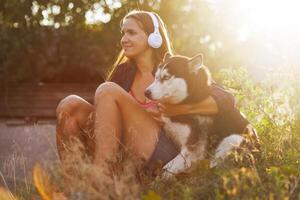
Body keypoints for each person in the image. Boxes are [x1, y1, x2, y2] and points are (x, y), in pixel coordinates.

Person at [56, 10, 255, 176]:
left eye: (132, 33)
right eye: (123, 33)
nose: (124, 39)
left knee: (106, 90)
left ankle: (102, 181)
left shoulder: (174, 69)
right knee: (70, 104)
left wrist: (175, 111)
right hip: (126, 150)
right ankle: (75, 187)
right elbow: (104, 119)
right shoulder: (122, 73)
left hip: (163, 149)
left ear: (154, 37)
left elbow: (225, 98)